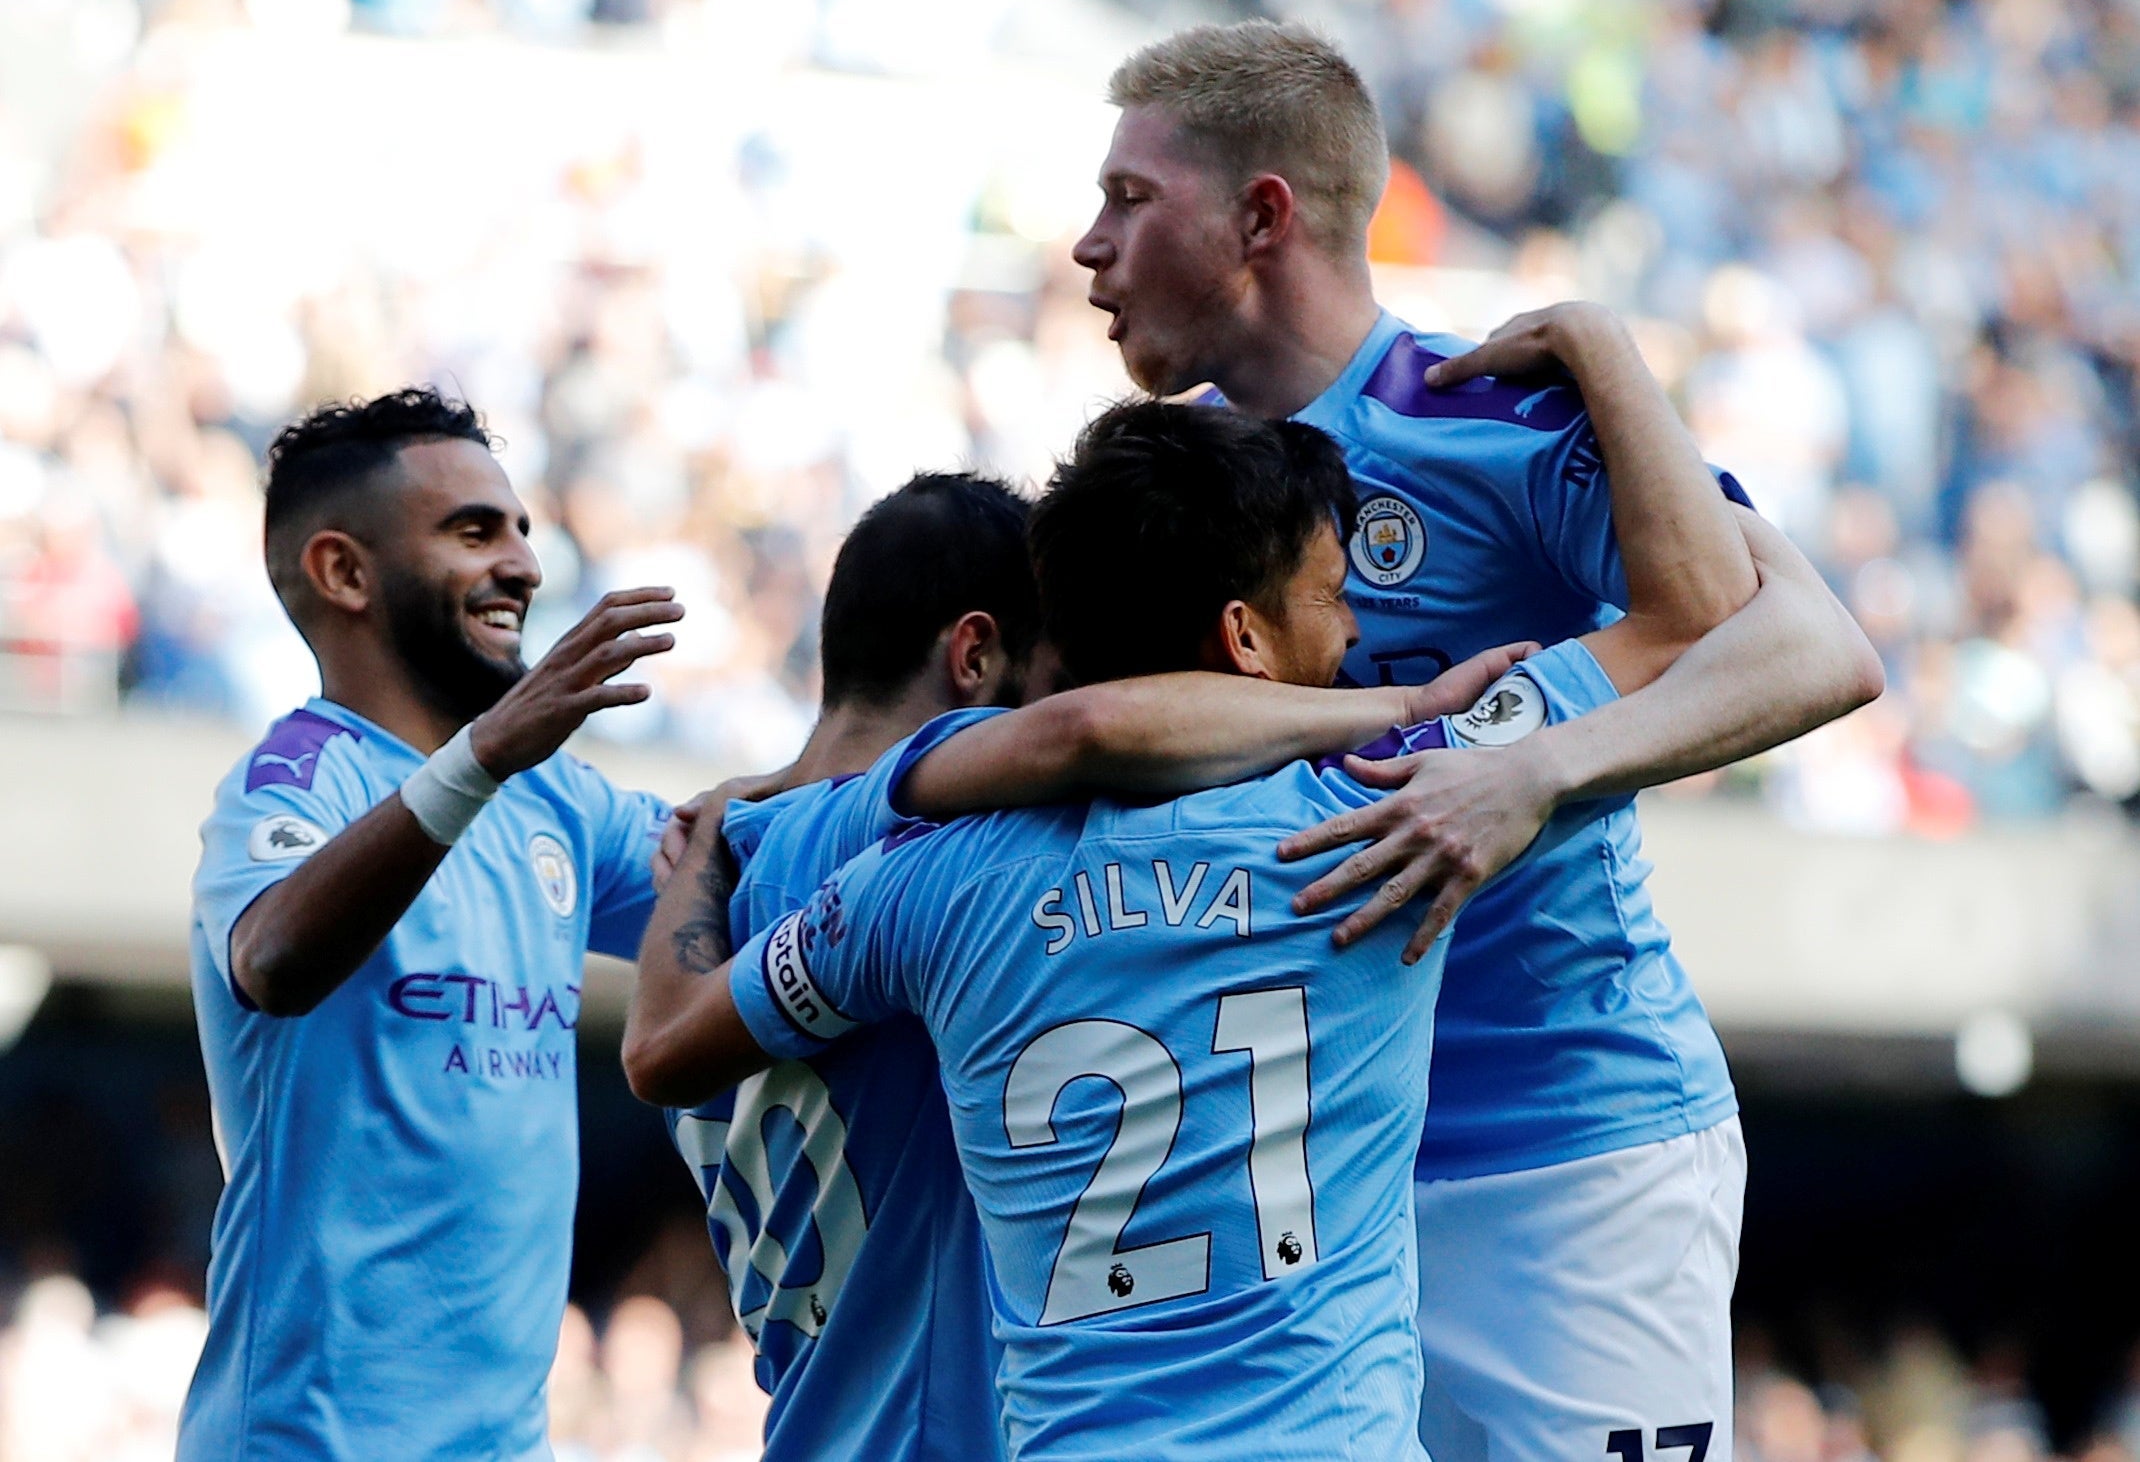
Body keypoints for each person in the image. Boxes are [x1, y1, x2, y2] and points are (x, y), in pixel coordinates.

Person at [628, 341, 1765, 1455]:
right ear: (1245, 636)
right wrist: (1596, 341)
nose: (1356, 630)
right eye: (1332, 596)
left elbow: (669, 1048)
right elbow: (1697, 612)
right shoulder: (1398, 813)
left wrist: (707, 851)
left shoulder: (921, 878)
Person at [1069, 21, 1885, 1461]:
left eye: (1131, 199)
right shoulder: (1155, 493)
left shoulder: (1490, 417)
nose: (1089, 244)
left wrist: (1535, 767)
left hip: (1563, 1154)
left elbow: (1809, 643)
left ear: (1261, 217)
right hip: (1299, 1174)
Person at [640, 470, 1531, 1462]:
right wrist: (1396, 709)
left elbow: (657, 1047)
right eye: (1053, 663)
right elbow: (1095, 731)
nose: (1071, 686)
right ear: (976, 655)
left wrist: (723, 813)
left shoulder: (720, 867)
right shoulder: (933, 850)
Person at [182, 388, 681, 1460]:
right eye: (473, 531)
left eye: (521, 531)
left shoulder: (558, 802)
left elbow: (744, 865)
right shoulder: (295, 778)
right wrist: (483, 756)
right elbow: (273, 957)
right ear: (344, 572)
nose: (525, 565)